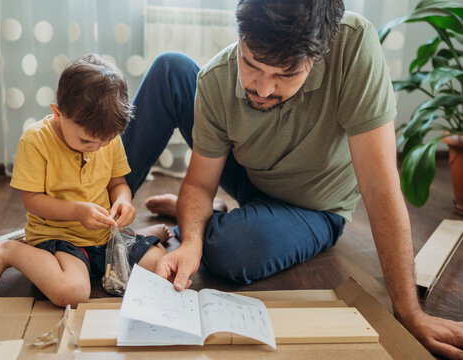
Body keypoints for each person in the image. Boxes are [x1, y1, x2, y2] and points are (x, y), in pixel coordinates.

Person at [122, 0, 463, 358]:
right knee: (170, 69)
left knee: (232, 250)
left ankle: (209, 216)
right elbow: (200, 184)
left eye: (285, 75)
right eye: (251, 64)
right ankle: (101, 220)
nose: (263, 89)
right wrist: (191, 242)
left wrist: (409, 314)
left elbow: (379, 186)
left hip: (312, 207)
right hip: (250, 171)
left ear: (319, 54)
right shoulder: (217, 78)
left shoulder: (354, 45)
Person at [0, 54, 170, 308]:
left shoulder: (105, 136)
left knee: (164, 267)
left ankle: (133, 238)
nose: (96, 148)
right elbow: (32, 200)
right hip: (61, 237)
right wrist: (77, 211)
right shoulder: (36, 141)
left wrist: (123, 201)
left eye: (105, 141)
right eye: (86, 141)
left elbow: (118, 183)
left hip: (105, 236)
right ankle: (7, 251)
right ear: (57, 113)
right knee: (72, 293)